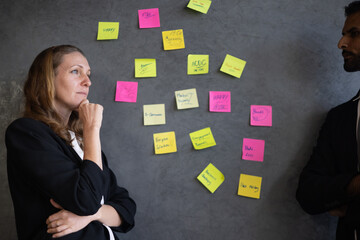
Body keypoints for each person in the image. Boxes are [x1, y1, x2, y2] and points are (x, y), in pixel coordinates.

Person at [5, 45, 136, 240]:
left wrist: (93, 215)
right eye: (76, 71)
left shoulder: (82, 143)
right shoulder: (26, 133)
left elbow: (126, 209)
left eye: (88, 74)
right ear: (47, 80)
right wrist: (92, 129)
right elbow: (86, 200)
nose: (88, 82)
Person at [296, 1, 360, 239]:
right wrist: (352, 186)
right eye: (344, 35)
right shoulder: (339, 119)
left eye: (354, 34)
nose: (341, 43)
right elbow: (308, 194)